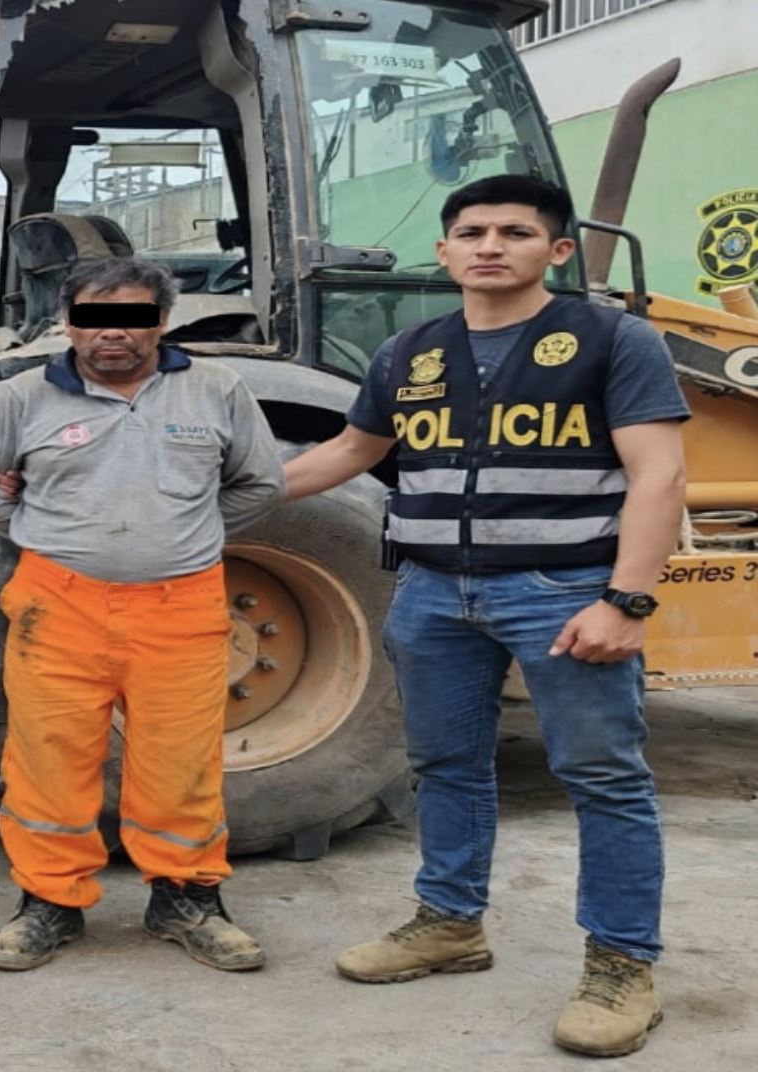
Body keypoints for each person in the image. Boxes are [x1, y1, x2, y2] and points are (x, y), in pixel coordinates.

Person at [282, 175, 688, 1059]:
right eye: (471, 231)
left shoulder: (611, 339)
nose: (490, 245)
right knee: (444, 766)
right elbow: (354, 452)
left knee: (603, 778)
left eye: (514, 231)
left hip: (560, 589)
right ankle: (450, 923)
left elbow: (660, 475)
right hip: (431, 592)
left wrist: (626, 600)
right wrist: (206, 494)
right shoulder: (409, 351)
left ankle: (623, 964)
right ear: (445, 249)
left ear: (558, 249)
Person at [0, 256, 284, 974]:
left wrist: (190, 530)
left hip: (182, 607)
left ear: (163, 321)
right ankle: (50, 903)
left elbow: (261, 482)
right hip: (56, 605)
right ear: (67, 324)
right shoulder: (22, 396)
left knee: (181, 763)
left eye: (133, 319)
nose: (113, 336)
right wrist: (38, 529)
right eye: (93, 320)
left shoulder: (216, 389)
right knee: (48, 759)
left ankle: (187, 899)